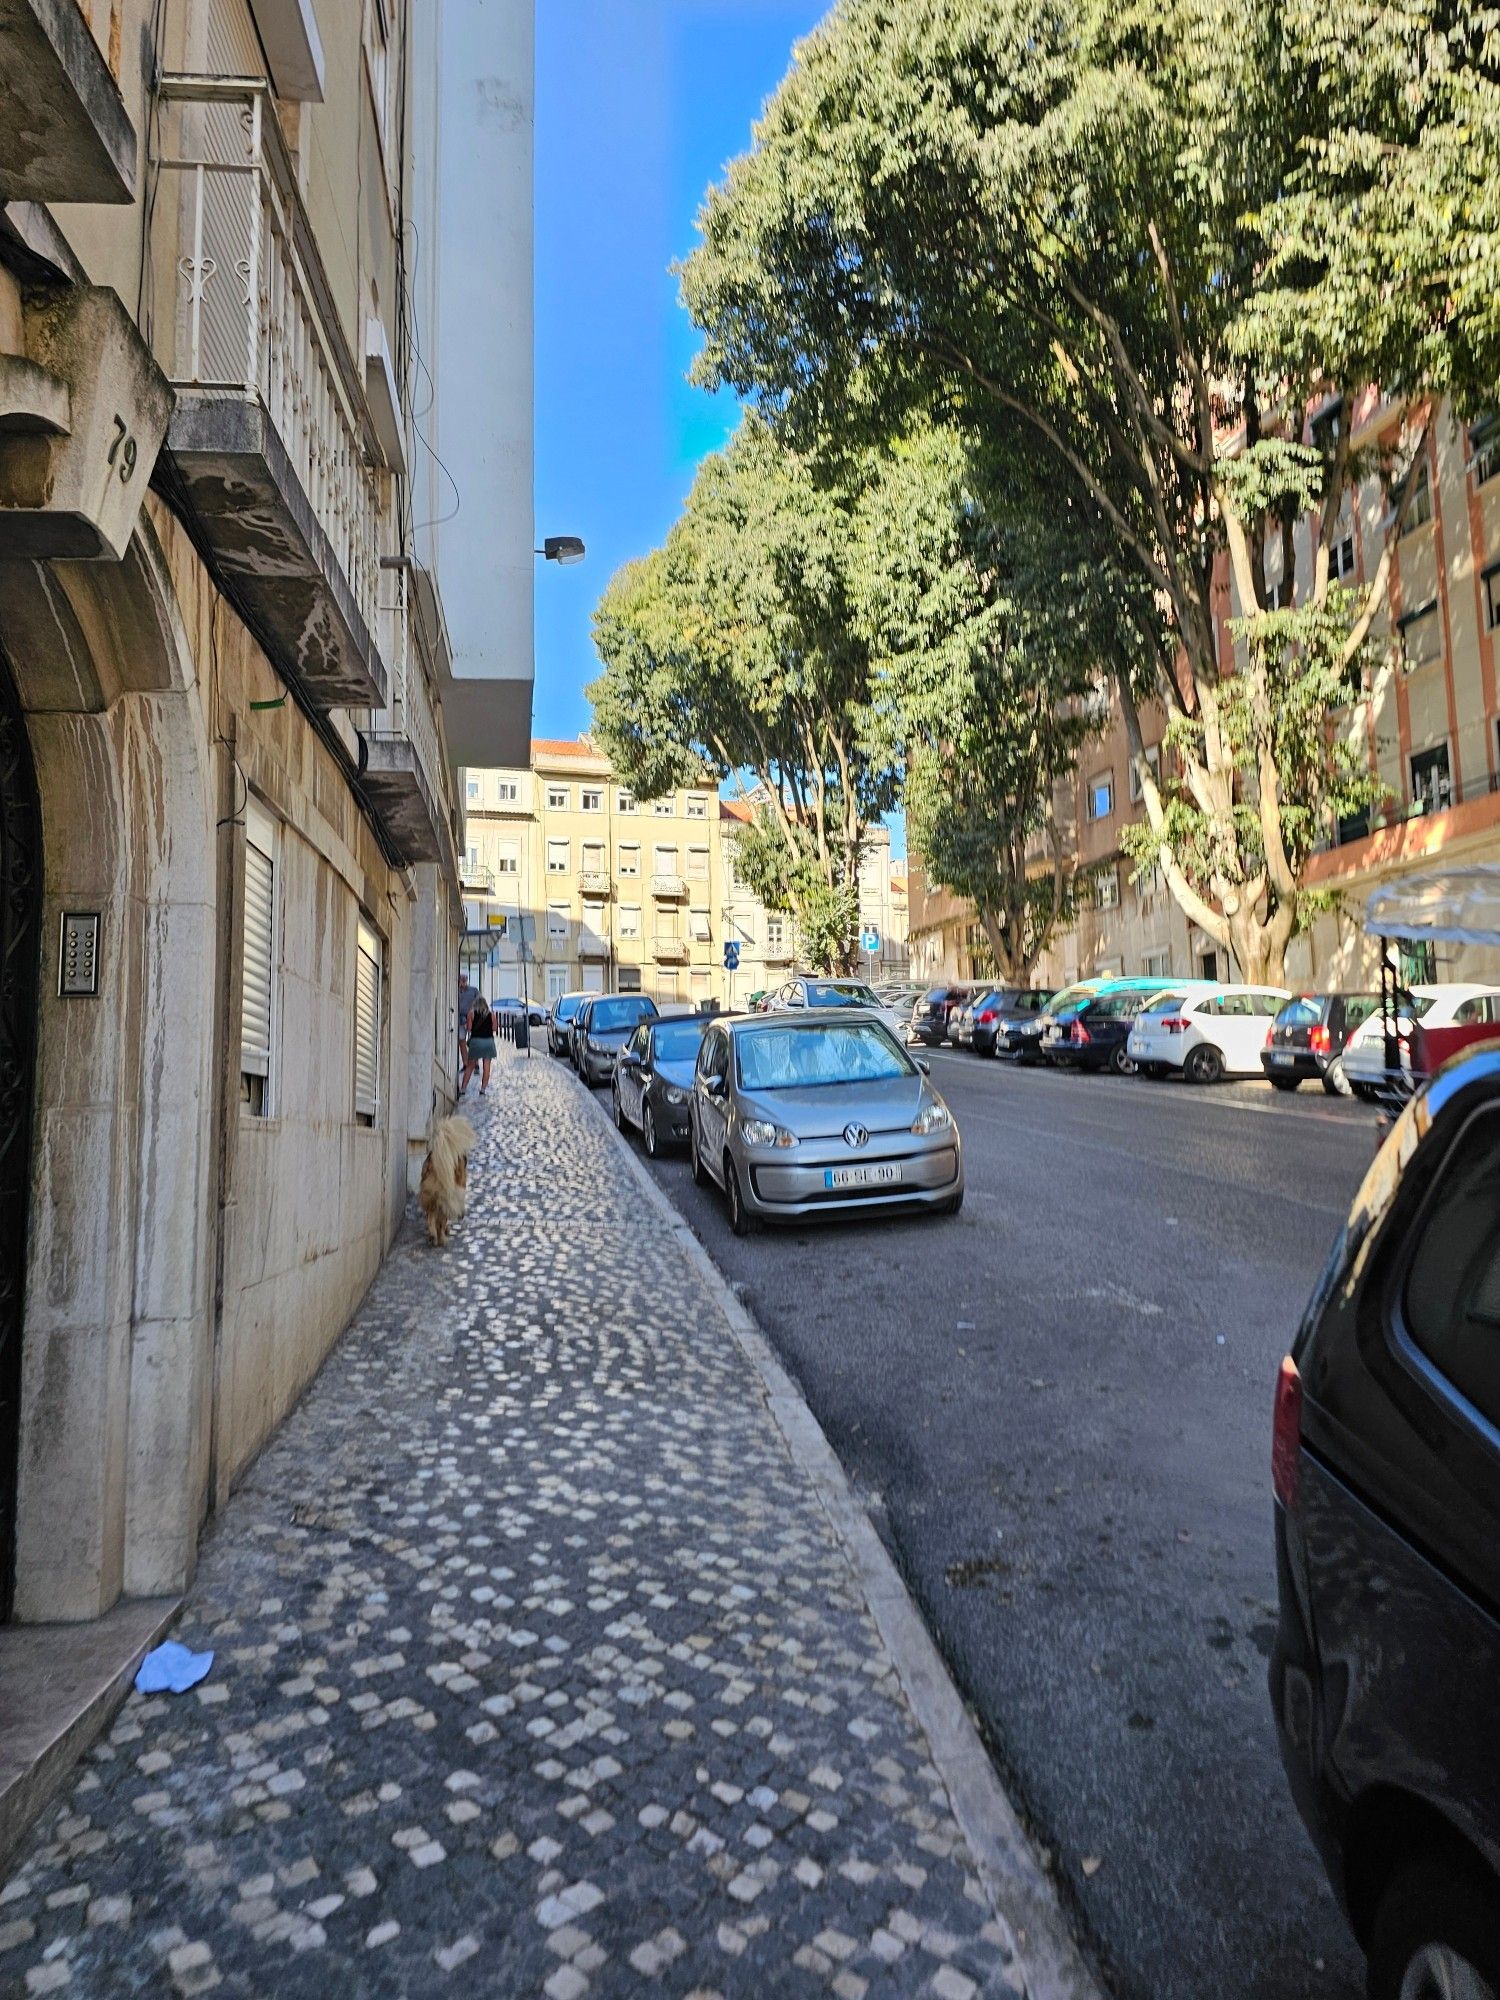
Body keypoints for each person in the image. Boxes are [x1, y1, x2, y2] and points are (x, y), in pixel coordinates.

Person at [463, 990, 498, 1095]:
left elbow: (469, 1028)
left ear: (475, 1004)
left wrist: (470, 1026)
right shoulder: (492, 1015)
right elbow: (495, 1028)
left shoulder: (471, 1013)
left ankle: (463, 1089)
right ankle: (483, 1089)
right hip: (488, 1042)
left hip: (476, 1042)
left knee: (470, 1066)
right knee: (486, 1067)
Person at [456, 974, 480, 1092]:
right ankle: (466, 1063)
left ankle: (475, 1064)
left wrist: (473, 1012)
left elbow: (479, 1002)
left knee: (474, 1042)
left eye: (465, 980)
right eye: (461, 980)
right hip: (460, 1019)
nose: (463, 983)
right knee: (461, 1040)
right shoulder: (456, 990)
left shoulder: (474, 990)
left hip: (472, 1018)